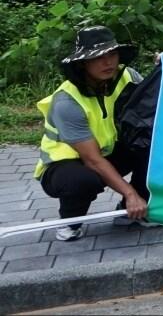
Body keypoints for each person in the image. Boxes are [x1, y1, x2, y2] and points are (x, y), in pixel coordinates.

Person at [35, 26, 149, 241]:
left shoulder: (128, 77)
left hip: (108, 151)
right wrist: (129, 192)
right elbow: (92, 160)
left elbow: (154, 99)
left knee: (151, 143)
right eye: (98, 57)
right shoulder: (66, 101)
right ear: (83, 63)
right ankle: (69, 223)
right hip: (66, 165)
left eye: (112, 54)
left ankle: (130, 212)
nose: (108, 62)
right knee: (83, 180)